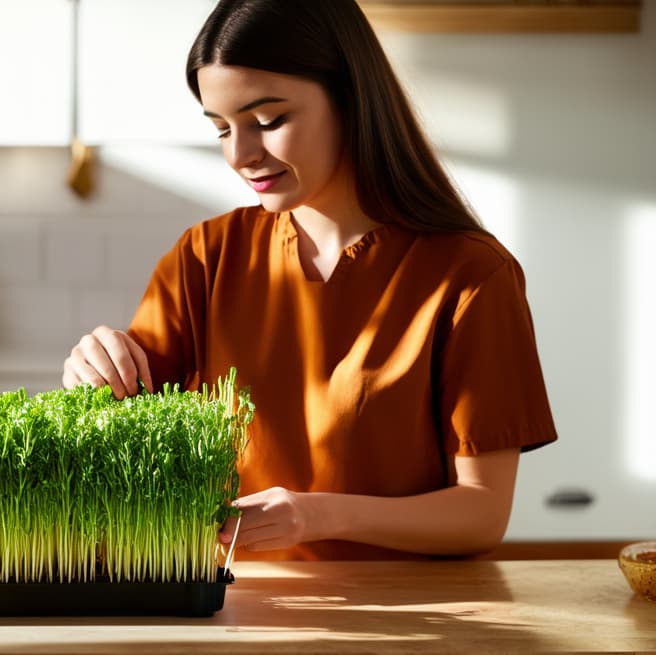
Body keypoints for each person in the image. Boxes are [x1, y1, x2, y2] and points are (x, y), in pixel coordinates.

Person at [62, 0, 557, 561]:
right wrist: (94, 371)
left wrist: (318, 515)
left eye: (269, 121)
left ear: (351, 98)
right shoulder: (204, 257)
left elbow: (482, 512)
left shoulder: (471, 277)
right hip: (231, 610)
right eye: (222, 128)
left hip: (413, 619)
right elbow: (127, 431)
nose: (241, 154)